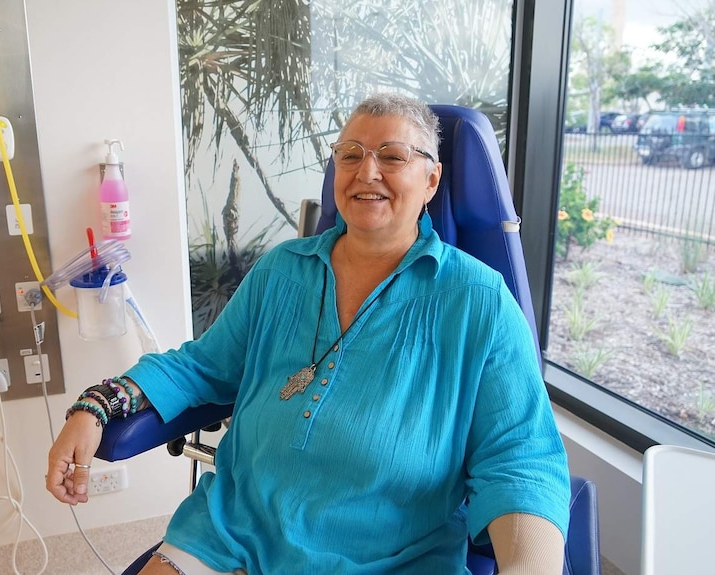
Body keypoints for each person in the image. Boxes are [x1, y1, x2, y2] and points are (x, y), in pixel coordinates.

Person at [47, 93, 570, 575]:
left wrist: (532, 565)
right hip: (232, 531)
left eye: (392, 156)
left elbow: (520, 458)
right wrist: (96, 405)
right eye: (350, 154)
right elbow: (201, 366)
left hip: (391, 557)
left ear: (431, 181)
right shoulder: (282, 270)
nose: (367, 171)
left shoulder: (478, 300)